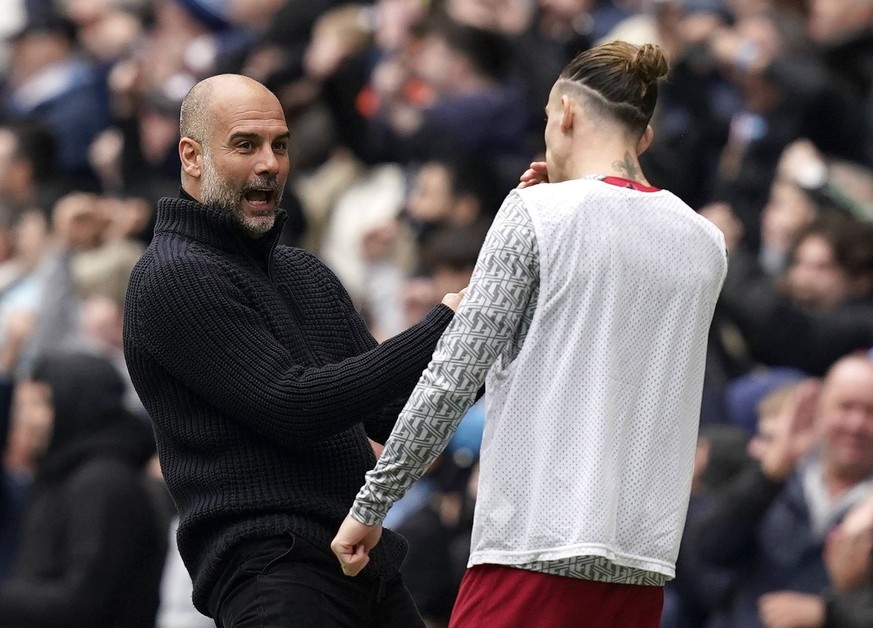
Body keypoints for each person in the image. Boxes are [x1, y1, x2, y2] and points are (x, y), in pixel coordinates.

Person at [332, 40, 729, 627]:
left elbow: (452, 374)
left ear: (565, 113)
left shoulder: (536, 215)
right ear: (643, 137)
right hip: (643, 564)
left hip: (531, 548)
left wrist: (372, 504)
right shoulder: (706, 242)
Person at [122, 73, 464, 627]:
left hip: (364, 562)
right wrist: (445, 325)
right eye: (245, 145)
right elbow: (294, 406)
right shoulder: (171, 276)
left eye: (280, 144)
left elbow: (391, 415)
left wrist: (495, 299)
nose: (270, 163)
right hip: (274, 573)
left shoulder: (302, 271)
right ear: (191, 156)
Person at [690, 354, 873, 628]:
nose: (856, 424)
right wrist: (771, 474)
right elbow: (707, 550)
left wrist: (828, 613)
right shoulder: (776, 480)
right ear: (820, 410)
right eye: (845, 407)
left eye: (871, 412)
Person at [0, 348, 167, 627]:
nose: (28, 419)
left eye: (41, 402)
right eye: (25, 405)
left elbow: (84, 602)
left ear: (77, 402)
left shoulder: (104, 482)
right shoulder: (60, 475)